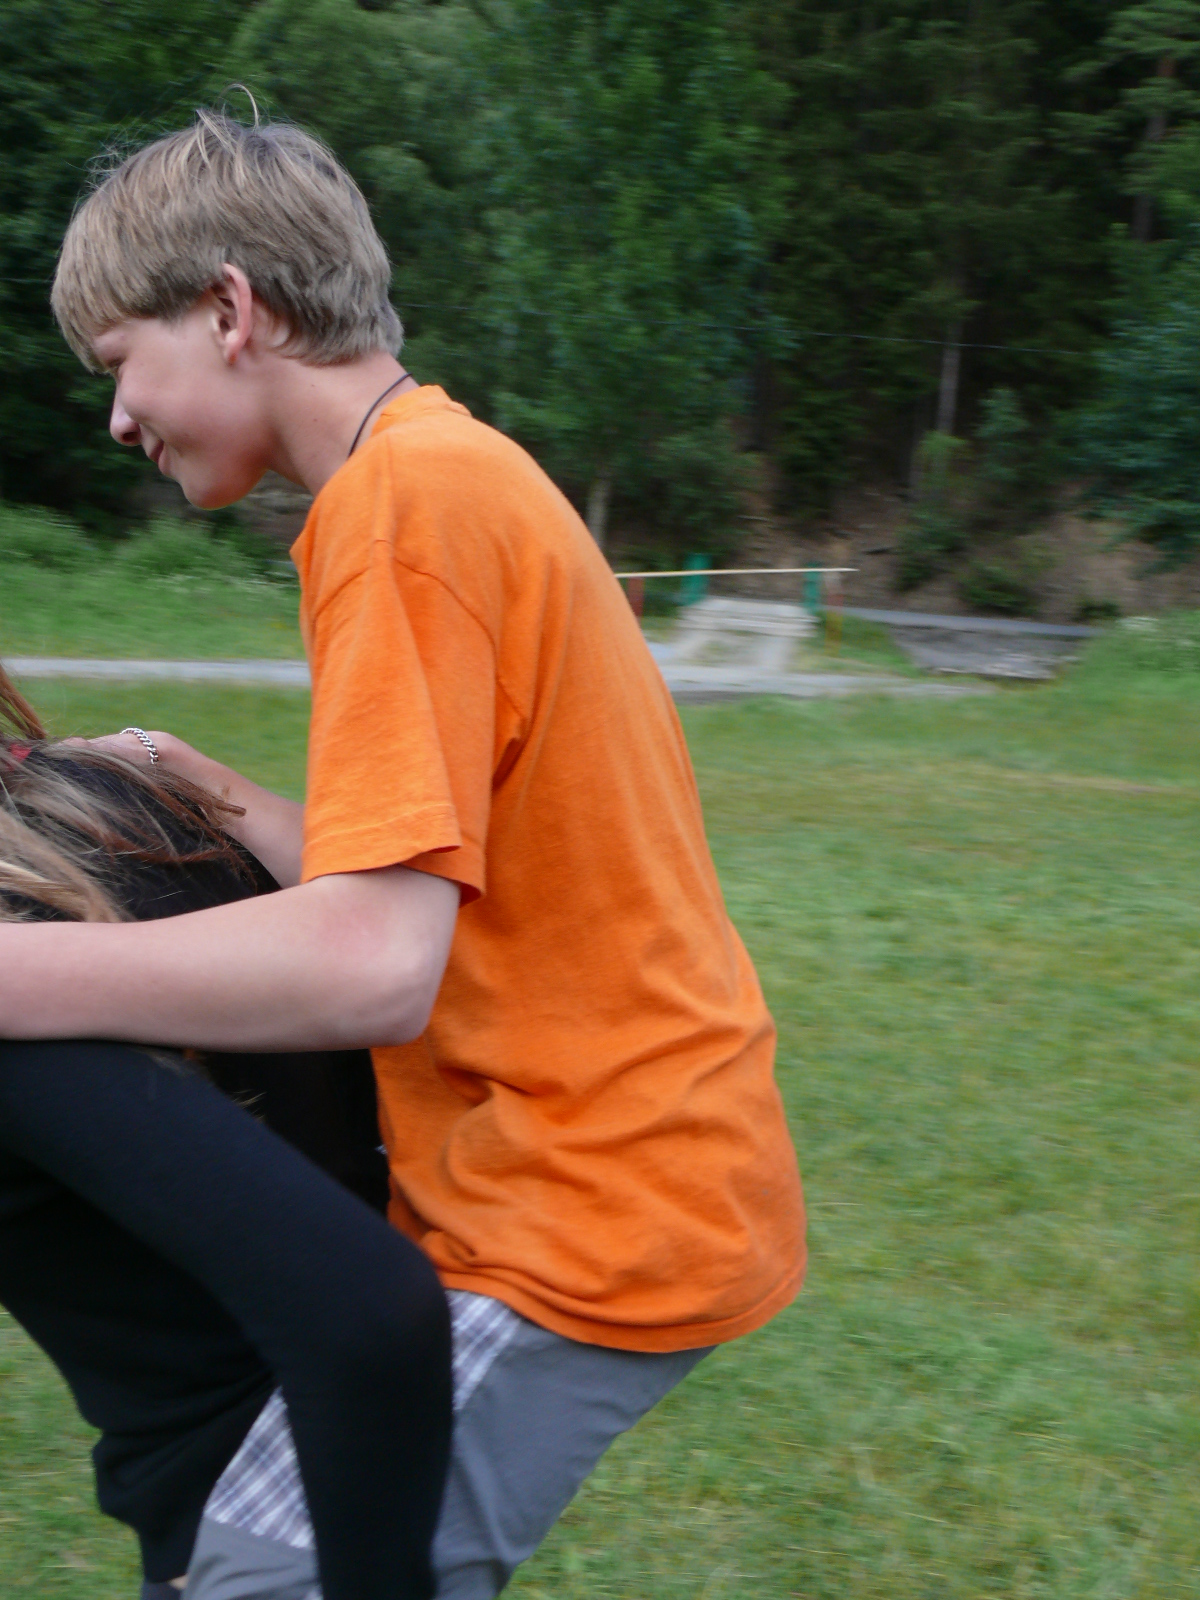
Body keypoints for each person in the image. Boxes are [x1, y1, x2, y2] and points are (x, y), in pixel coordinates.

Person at [4, 107, 807, 1599]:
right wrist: (220, 793)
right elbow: (441, 888)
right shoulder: (446, 471)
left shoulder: (398, 513)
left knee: (254, 1580)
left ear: (230, 310)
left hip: (583, 1207)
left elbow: (374, 966)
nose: (118, 419)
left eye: (120, 364)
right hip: (624, 1165)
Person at [0, 667, 452, 1600]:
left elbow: (368, 1307)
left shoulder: (21, 958)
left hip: (259, 1517)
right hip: (404, 1449)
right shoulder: (112, 791)